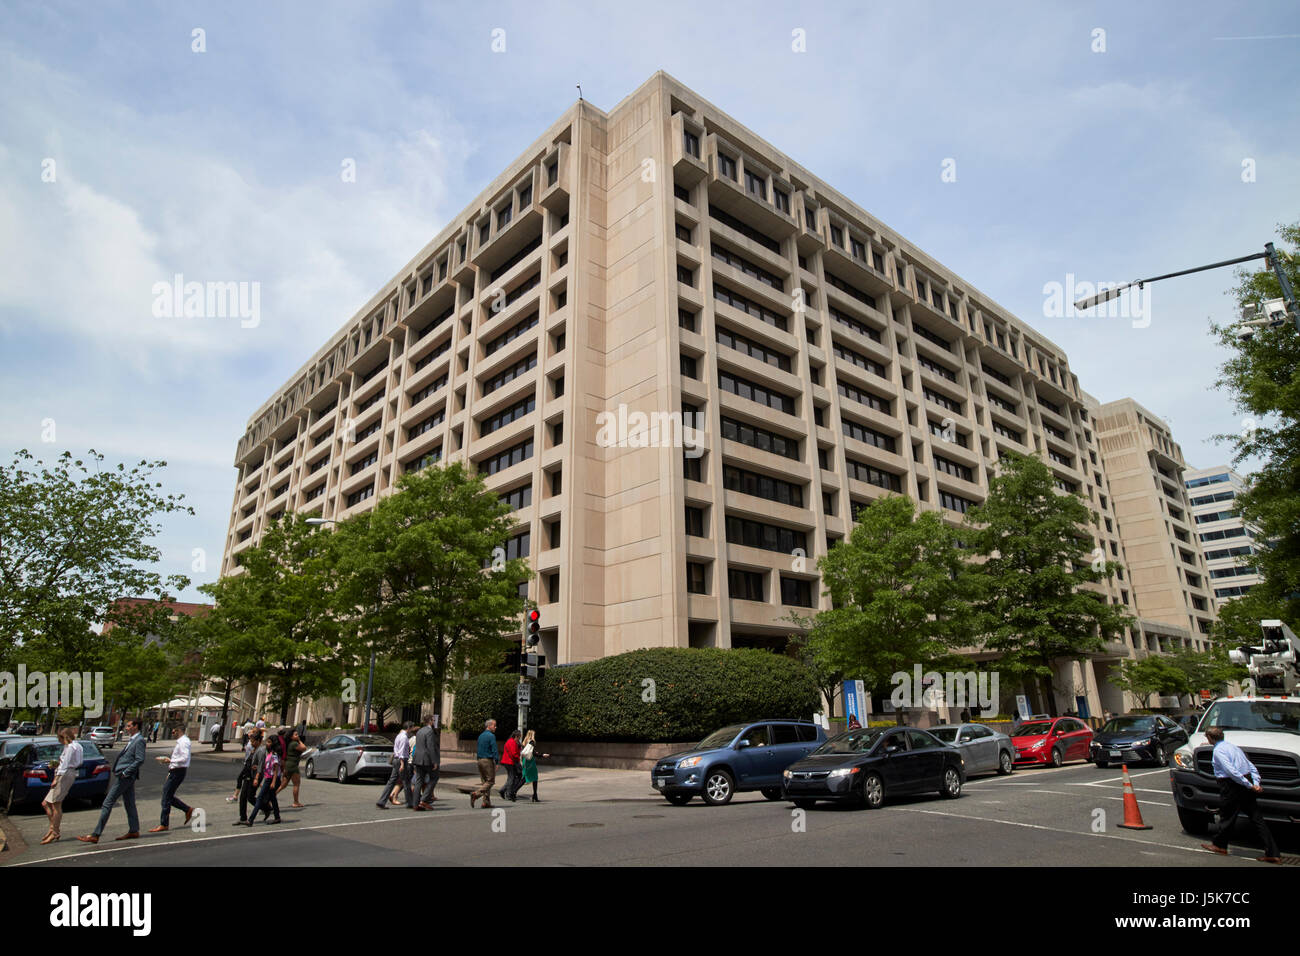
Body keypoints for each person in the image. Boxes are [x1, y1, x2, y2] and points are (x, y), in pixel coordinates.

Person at [1200, 725, 1280, 863]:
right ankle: (1273, 852)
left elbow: (1231, 772)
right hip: (1245, 782)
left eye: (1207, 737)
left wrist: (1250, 785)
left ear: (1210, 738)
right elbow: (1251, 767)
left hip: (1232, 785)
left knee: (1227, 816)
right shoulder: (1234, 747)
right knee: (1256, 818)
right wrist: (1255, 783)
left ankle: (1219, 845)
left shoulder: (1218, 751)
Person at [78, 718, 146, 844]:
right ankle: (134, 830)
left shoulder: (139, 740)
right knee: (129, 803)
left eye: (129, 725)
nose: (126, 728)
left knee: (107, 803)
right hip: (125, 775)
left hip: (125, 776)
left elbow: (140, 759)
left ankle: (96, 834)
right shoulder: (133, 740)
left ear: (136, 726)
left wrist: (126, 772)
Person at [41, 727, 83, 844]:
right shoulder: (77, 746)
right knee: (46, 803)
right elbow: (77, 762)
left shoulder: (70, 747)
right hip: (68, 772)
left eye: (59, 738)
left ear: (64, 737)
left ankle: (55, 832)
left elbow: (65, 765)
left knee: (56, 804)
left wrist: (56, 778)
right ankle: (53, 828)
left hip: (64, 775)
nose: (58, 740)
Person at [150, 726, 195, 832]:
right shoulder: (181, 741)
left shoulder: (184, 742)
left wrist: (169, 761)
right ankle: (187, 809)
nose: (172, 733)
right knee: (167, 795)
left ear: (179, 730)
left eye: (174, 731)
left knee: (166, 797)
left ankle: (164, 823)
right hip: (175, 771)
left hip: (178, 771)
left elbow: (185, 758)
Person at [245, 734, 282, 825]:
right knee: (273, 798)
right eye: (267, 741)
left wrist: (273, 782)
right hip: (269, 778)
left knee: (260, 798)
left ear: (273, 744)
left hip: (272, 779)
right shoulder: (268, 754)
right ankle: (277, 817)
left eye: (269, 742)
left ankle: (250, 820)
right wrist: (257, 767)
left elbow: (276, 768)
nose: (267, 743)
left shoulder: (274, 754)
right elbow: (268, 767)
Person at [377, 722, 414, 810]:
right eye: (411, 728)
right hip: (401, 760)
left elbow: (396, 749)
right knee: (406, 782)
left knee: (392, 781)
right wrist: (402, 764)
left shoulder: (398, 736)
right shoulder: (404, 737)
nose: (412, 730)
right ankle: (410, 802)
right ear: (408, 728)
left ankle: (382, 801)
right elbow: (401, 752)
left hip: (396, 759)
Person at [234, 730, 266, 826]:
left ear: (259, 741)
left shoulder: (261, 751)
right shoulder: (254, 750)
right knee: (243, 796)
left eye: (253, 741)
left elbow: (260, 766)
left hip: (254, 776)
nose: (251, 743)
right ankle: (243, 817)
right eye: (250, 741)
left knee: (250, 797)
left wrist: (256, 778)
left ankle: (266, 808)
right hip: (248, 775)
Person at [411, 713, 440, 809]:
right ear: (430, 721)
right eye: (433, 720)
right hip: (426, 759)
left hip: (417, 759)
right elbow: (430, 747)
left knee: (419, 781)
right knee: (434, 777)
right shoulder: (429, 731)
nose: (434, 722)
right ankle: (424, 800)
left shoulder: (420, 731)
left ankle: (415, 803)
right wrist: (434, 761)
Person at [470, 718, 498, 809]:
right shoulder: (491, 736)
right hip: (487, 760)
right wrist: (497, 762)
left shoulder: (481, 736)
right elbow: (494, 749)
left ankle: (486, 802)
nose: (495, 727)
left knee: (484, 782)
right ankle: (476, 794)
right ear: (489, 726)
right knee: (490, 781)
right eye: (494, 725)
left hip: (479, 760)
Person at [276, 726, 307, 807]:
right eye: (296, 735)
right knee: (296, 784)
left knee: (283, 785)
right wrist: (299, 740)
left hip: (288, 765)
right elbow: (304, 748)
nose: (298, 736)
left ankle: (270, 798)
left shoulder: (289, 744)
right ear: (291, 737)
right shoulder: (294, 744)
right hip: (293, 766)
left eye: (297, 735)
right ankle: (296, 802)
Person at [519, 730, 549, 803]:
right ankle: (514, 792)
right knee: (532, 777)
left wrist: (535, 752)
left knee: (527, 777)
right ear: (532, 735)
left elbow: (528, 751)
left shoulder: (525, 741)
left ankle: (535, 795)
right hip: (530, 761)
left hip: (525, 760)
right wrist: (542, 755)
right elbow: (532, 752)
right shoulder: (531, 741)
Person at [500, 729, 523, 802]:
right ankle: (508, 793)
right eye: (519, 737)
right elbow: (514, 754)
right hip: (510, 762)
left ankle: (505, 791)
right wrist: (519, 758)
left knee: (513, 777)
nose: (519, 738)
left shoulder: (511, 741)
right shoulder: (512, 742)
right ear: (516, 736)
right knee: (511, 778)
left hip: (508, 761)